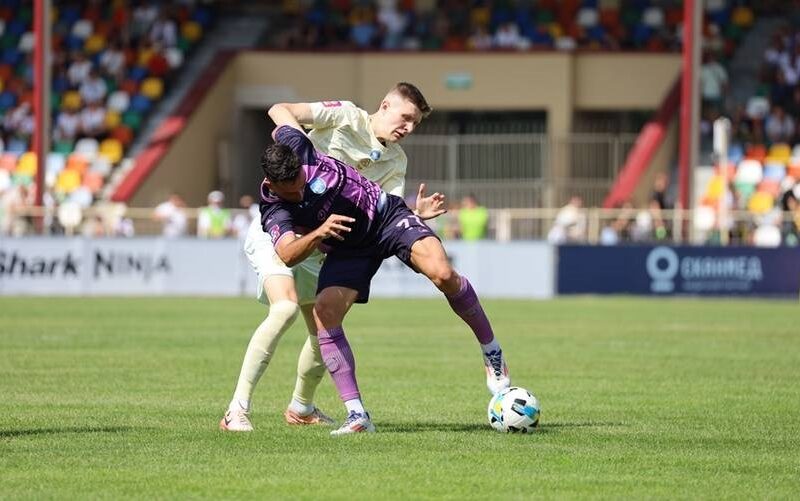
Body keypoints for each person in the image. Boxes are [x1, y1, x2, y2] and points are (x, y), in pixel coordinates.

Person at [256, 117, 511, 436]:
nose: (299, 192)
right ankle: (357, 414)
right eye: (291, 192)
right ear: (271, 182)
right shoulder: (273, 208)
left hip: (387, 216)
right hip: (348, 247)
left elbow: (278, 111)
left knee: (442, 273)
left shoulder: (293, 144)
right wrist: (319, 232)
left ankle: (492, 351)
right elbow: (287, 253)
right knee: (324, 312)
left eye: (301, 183)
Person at [220, 83, 447, 432]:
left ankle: (301, 407)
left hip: (323, 246)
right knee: (284, 310)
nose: (408, 128)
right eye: (405, 118)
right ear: (384, 105)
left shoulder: (396, 161)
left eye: (415, 123)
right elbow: (280, 109)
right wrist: (295, 150)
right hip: (284, 232)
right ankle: (236, 409)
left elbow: (387, 211)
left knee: (323, 330)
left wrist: (414, 214)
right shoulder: (344, 115)